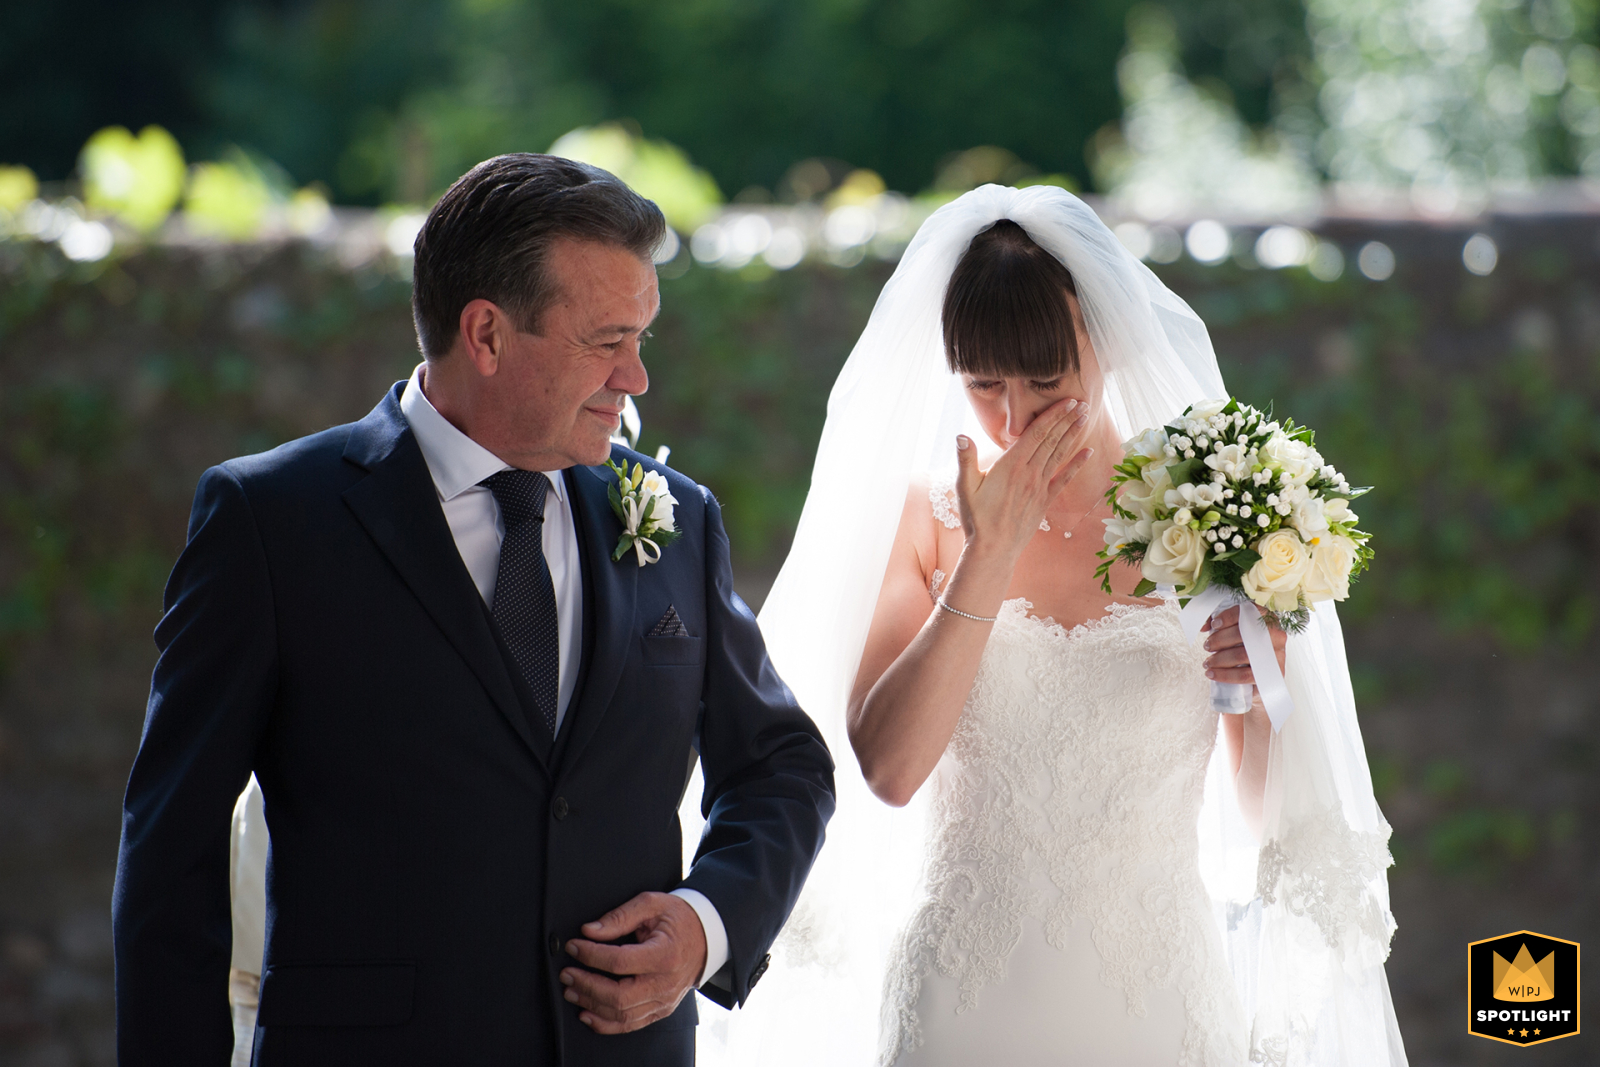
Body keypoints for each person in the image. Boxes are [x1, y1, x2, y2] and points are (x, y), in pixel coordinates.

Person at [112, 153, 836, 1067]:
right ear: (486, 335)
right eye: (607, 340)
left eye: (642, 338)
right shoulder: (271, 523)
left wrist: (706, 923)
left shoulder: (676, 519)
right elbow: (169, 854)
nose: (637, 378)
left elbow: (782, 764)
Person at [698, 185, 1406, 1065]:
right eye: (983, 384)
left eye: (1047, 381)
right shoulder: (922, 519)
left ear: (1104, 345)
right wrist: (985, 555)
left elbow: (1259, 815)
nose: (1014, 416)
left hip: (1158, 994)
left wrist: (1263, 685)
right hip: (966, 996)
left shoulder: (1211, 513)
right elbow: (888, 767)